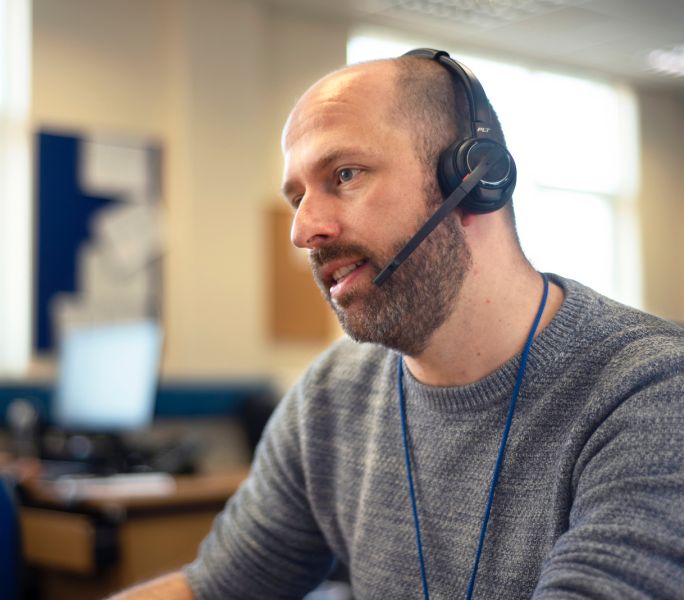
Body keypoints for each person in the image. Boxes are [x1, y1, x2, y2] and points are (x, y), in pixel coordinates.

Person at [112, 49, 684, 599]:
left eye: (345, 174)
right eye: (297, 197)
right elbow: (214, 589)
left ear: (476, 179)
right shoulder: (333, 397)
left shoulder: (652, 392)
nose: (303, 229)